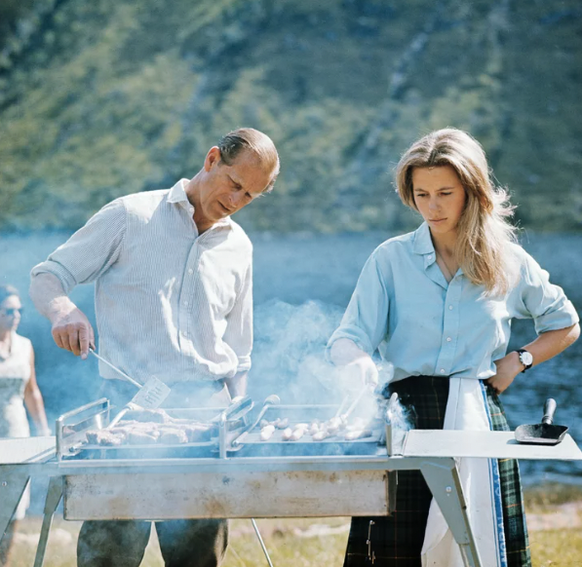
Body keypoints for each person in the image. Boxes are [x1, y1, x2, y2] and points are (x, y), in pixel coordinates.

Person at [328, 128, 580, 567]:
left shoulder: (509, 260)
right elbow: (347, 338)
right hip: (405, 420)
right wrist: (359, 363)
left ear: (472, 191)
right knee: (394, 555)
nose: (432, 206)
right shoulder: (390, 259)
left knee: (479, 551)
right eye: (421, 193)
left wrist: (517, 361)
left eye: (445, 192)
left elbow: (565, 325)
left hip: (480, 419)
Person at [29, 127, 280, 567]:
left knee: (198, 557)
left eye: (250, 196)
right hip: (128, 413)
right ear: (211, 159)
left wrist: (238, 415)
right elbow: (48, 276)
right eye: (235, 184)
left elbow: (239, 351)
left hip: (206, 417)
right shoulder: (130, 215)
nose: (237, 200)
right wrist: (63, 311)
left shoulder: (239, 246)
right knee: (111, 554)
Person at [0, 284, 50, 566]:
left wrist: (42, 431)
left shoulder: (25, 346)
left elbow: (32, 391)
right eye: (8, 311)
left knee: (14, 507)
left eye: (18, 310)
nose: (15, 316)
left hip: (17, 433)